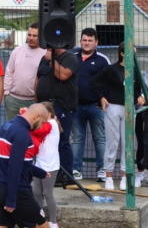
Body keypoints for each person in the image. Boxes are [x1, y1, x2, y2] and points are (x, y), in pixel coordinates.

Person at [90, 42, 145, 190]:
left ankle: (124, 176)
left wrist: (139, 97)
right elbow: (94, 82)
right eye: (130, 52)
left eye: (135, 53)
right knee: (112, 142)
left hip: (129, 109)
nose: (134, 56)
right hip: (113, 107)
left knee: (128, 143)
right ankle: (108, 176)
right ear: (122, 53)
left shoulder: (135, 71)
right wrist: (101, 97)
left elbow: (137, 90)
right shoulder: (111, 69)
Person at [71, 28, 110, 182]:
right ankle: (76, 170)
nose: (87, 43)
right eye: (84, 40)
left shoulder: (102, 60)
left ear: (96, 42)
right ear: (80, 41)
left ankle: (102, 169)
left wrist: (103, 100)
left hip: (96, 106)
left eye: (90, 40)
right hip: (76, 106)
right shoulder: (72, 58)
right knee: (77, 139)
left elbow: (109, 81)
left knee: (100, 138)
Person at [35, 48, 79, 176]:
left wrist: (50, 59)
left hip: (62, 105)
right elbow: (38, 77)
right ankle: (46, 172)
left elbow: (63, 75)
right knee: (44, 140)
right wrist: (36, 97)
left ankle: (65, 175)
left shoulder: (70, 58)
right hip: (43, 105)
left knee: (61, 140)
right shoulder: (44, 57)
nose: (49, 48)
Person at [4, 23, 46, 120]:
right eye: (29, 35)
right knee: (12, 131)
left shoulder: (45, 53)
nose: (31, 38)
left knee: (32, 132)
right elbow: (9, 72)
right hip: (13, 100)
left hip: (33, 101)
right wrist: (6, 94)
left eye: (34, 36)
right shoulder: (17, 50)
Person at [32, 102, 62, 228]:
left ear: (48, 114)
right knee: (36, 192)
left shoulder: (52, 124)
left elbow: (37, 131)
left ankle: (54, 222)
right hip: (39, 163)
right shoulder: (42, 124)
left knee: (48, 193)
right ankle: (40, 220)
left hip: (51, 165)